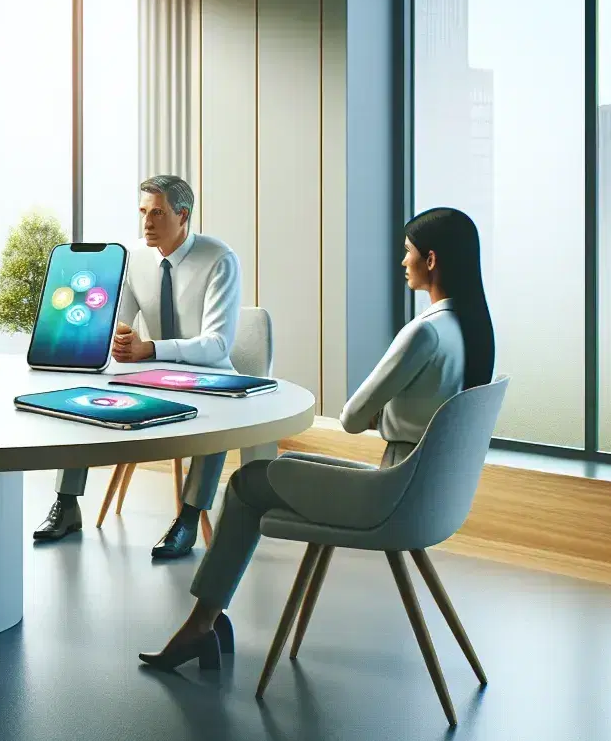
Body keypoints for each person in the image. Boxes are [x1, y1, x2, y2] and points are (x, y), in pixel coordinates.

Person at [138, 206, 494, 670]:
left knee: (246, 485)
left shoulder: (423, 334)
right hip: (426, 493)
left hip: (387, 495)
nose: (401, 262)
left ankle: (202, 624)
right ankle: (203, 624)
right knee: (259, 480)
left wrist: (382, 414)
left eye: (407, 253)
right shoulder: (470, 328)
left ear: (431, 260)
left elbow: (350, 418)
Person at [32, 175, 244, 560]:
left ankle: (189, 517)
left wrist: (150, 349)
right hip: (153, 372)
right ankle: (66, 504)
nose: (147, 222)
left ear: (183, 216)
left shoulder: (219, 260)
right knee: (83, 400)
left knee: (218, 419)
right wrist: (116, 337)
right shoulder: (135, 259)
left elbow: (217, 345)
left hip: (211, 375)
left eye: (158, 213)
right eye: (143, 212)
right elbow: (119, 323)